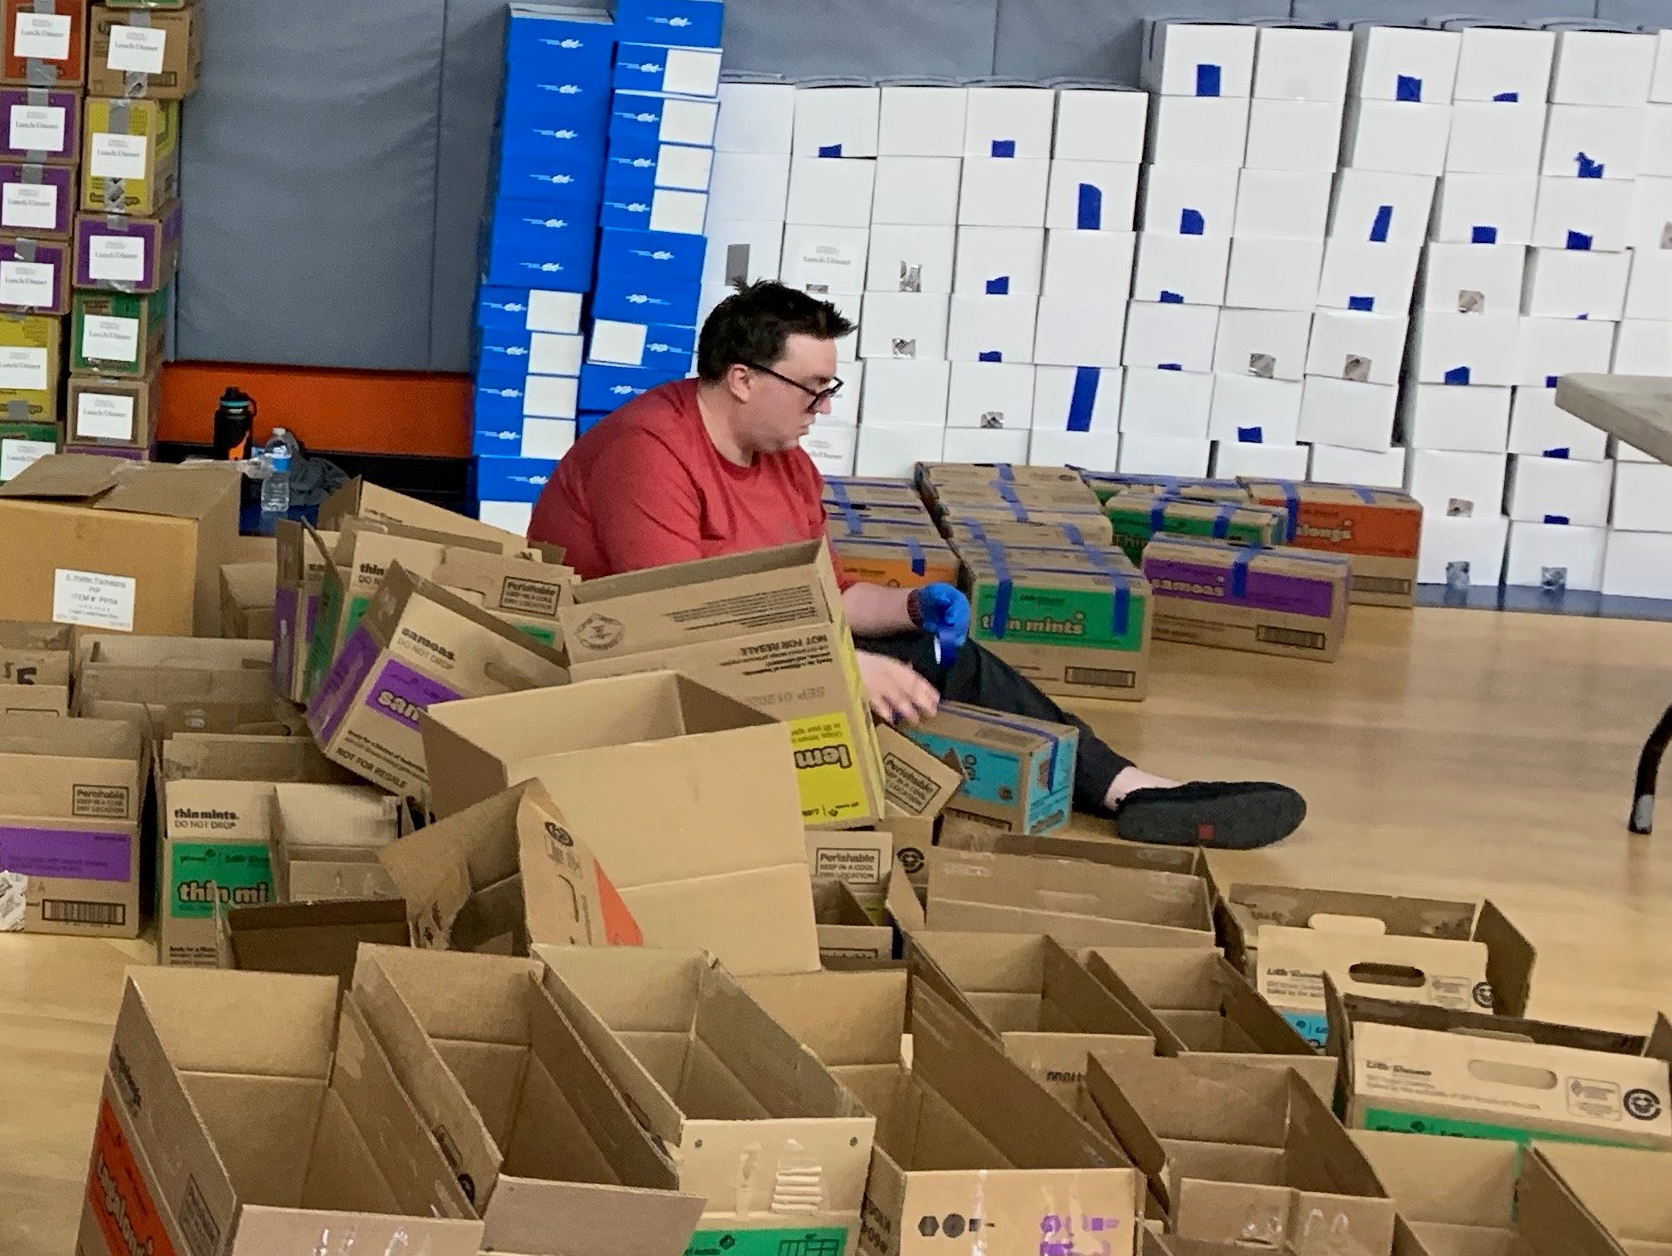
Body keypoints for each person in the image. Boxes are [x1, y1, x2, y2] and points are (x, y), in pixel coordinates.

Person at [528, 280, 1304, 851]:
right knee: (880, 683)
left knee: (953, 658)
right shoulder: (649, 455)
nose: (824, 407)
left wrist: (907, 609)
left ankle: (1132, 789)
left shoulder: (785, 465)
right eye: (813, 388)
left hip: (745, 650)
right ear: (742, 380)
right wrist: (837, 671)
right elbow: (674, 625)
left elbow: (823, 595)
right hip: (636, 670)